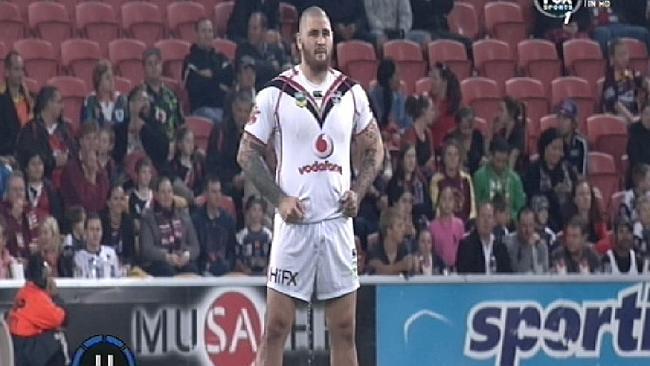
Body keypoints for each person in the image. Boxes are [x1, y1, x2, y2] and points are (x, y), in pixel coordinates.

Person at [236, 7, 383, 366]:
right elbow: (246, 154)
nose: (321, 41)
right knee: (276, 328)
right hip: (294, 227)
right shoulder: (276, 93)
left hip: (336, 226)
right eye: (314, 34)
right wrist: (279, 199)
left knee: (345, 329)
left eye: (326, 34)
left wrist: (359, 193)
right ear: (298, 41)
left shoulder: (351, 93)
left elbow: (376, 149)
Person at [8, 253, 68, 366]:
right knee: (57, 337)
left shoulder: (23, 292)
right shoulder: (36, 296)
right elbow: (62, 319)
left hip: (18, 347)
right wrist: (55, 295)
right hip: (26, 350)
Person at [140, 176, 200, 276]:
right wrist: (167, 257)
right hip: (160, 262)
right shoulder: (148, 217)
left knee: (192, 270)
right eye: (163, 192)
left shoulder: (183, 215)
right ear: (156, 194)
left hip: (181, 260)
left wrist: (187, 255)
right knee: (167, 271)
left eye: (169, 192)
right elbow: (147, 249)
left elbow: (195, 247)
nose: (167, 196)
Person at [16, 86, 76, 179]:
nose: (62, 106)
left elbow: (75, 153)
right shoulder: (30, 130)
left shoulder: (67, 129)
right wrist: (54, 162)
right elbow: (27, 159)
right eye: (59, 102)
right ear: (48, 103)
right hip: (42, 183)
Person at [524, 128, 577, 232]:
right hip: (544, 219)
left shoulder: (567, 169)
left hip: (568, 217)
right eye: (554, 148)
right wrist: (553, 192)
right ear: (544, 148)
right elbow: (532, 197)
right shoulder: (533, 170)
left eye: (560, 149)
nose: (557, 153)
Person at [183, 18, 234, 121]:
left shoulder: (221, 57)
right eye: (203, 31)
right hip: (201, 109)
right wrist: (218, 82)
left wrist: (210, 76)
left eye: (210, 31)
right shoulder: (190, 60)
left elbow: (230, 78)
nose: (207, 35)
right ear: (196, 34)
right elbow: (194, 87)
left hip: (223, 108)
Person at [191, 176, 237, 276]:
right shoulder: (196, 220)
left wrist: (228, 265)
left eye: (219, 192)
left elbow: (232, 250)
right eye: (213, 192)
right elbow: (195, 251)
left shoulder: (228, 220)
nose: (217, 196)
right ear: (206, 194)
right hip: (203, 272)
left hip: (225, 271)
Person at [473, 137, 526, 218]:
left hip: (510, 224)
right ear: (491, 156)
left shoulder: (515, 179)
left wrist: (509, 217)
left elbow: (520, 209)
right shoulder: (479, 176)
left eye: (504, 161)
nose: (500, 165)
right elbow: (475, 205)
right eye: (498, 160)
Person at [235, 12, 289, 89]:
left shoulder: (275, 49)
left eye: (254, 28)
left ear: (264, 30)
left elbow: (286, 67)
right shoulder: (243, 49)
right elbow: (249, 69)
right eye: (249, 28)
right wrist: (272, 67)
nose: (250, 32)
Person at [456, 202, 512, 274]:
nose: (486, 221)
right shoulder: (466, 245)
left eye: (489, 217)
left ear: (494, 221)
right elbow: (463, 273)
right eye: (483, 216)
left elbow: (507, 275)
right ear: (477, 220)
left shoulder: (501, 248)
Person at [142, 48, 184, 140]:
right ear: (144, 68)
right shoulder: (139, 96)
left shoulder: (171, 96)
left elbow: (180, 125)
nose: (154, 67)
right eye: (149, 64)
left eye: (156, 63)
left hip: (172, 145)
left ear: (161, 66)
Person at [386, 144, 433, 227]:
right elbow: (392, 205)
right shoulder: (394, 182)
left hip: (418, 221)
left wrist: (414, 207)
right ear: (402, 159)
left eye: (413, 157)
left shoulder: (421, 181)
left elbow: (428, 207)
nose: (411, 161)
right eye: (408, 156)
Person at [430, 140, 476, 223]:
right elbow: (435, 208)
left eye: (456, 154)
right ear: (444, 157)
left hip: (465, 226)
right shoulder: (437, 180)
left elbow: (472, 209)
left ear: (459, 158)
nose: (453, 158)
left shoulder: (466, 178)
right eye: (449, 154)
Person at [601, 38, 646, 122]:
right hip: (617, 117)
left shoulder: (628, 73)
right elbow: (615, 104)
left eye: (626, 53)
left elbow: (644, 82)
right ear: (612, 58)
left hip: (635, 115)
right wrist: (632, 119)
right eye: (620, 55)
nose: (625, 58)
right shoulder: (609, 78)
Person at [0, 51, 33, 158]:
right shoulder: (1, 98)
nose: (20, 74)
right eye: (16, 69)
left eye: (22, 69)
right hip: (8, 155)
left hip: (28, 153)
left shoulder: (27, 98)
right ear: (6, 72)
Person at [80, 59, 128, 127]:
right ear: (98, 80)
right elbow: (88, 127)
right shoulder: (90, 101)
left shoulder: (121, 100)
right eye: (108, 78)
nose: (112, 81)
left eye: (112, 77)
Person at [366, 207, 413, 275]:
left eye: (403, 225)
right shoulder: (374, 250)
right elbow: (379, 270)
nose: (403, 229)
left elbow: (409, 265)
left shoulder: (405, 247)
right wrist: (400, 266)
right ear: (389, 230)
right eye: (399, 226)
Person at [73, 213, 121, 278]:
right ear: (85, 232)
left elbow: (118, 279)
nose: (95, 234)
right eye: (92, 229)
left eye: (98, 229)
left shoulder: (111, 253)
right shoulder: (79, 257)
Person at [429, 186, 464, 270]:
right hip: (439, 270)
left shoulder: (459, 224)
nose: (447, 203)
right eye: (444, 199)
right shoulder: (432, 227)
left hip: (456, 269)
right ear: (438, 201)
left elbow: (463, 249)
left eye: (450, 199)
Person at [504, 208, 549, 274]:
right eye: (524, 225)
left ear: (535, 225)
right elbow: (519, 273)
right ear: (517, 225)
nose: (528, 230)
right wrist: (528, 247)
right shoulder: (509, 243)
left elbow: (545, 272)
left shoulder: (540, 245)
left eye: (530, 225)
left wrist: (541, 247)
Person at [235, 196, 273, 275]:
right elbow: (238, 257)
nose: (257, 213)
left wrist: (267, 268)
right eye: (254, 210)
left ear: (263, 213)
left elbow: (272, 255)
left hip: (265, 275)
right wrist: (244, 269)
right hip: (247, 275)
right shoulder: (242, 235)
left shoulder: (268, 235)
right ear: (248, 212)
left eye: (259, 210)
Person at [369, 59, 410, 130]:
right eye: (397, 75)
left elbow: (408, 122)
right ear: (389, 78)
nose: (400, 80)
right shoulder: (374, 97)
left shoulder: (400, 97)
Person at [100, 184, 136, 266]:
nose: (119, 202)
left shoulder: (128, 222)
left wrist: (127, 265)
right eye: (116, 199)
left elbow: (131, 254)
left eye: (122, 199)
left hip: (124, 267)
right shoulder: (101, 222)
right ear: (108, 202)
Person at [429, 62, 462, 150]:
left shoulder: (454, 103)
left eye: (435, 78)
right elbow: (430, 121)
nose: (431, 82)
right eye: (430, 78)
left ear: (444, 82)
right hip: (432, 151)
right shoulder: (428, 101)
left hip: (451, 152)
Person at [490, 96, 527, 173]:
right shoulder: (501, 131)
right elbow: (491, 154)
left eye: (501, 110)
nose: (498, 114)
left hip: (516, 174)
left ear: (511, 113)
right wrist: (492, 131)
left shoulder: (519, 131)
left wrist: (506, 181)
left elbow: (513, 158)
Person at [565, 179, 607, 244]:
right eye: (581, 194)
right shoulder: (570, 222)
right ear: (574, 199)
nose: (586, 197)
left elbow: (606, 242)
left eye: (588, 193)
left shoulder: (598, 219)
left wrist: (594, 248)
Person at [445, 106, 485, 175]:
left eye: (470, 127)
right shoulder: (450, 137)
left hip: (476, 175)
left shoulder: (477, 135)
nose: (467, 131)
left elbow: (482, 155)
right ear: (458, 125)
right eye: (464, 127)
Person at [402, 94, 436, 174]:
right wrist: (425, 168)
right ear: (424, 111)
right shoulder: (410, 134)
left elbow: (432, 159)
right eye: (431, 110)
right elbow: (409, 164)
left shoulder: (428, 133)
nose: (434, 113)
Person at [556, 99, 588, 177]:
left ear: (573, 123)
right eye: (559, 117)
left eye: (565, 119)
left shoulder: (580, 143)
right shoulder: (553, 142)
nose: (561, 122)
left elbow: (582, 174)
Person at [171, 126, 206, 196]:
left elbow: (203, 183)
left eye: (192, 141)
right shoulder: (174, 165)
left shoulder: (198, 164)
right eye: (187, 141)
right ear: (179, 144)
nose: (191, 145)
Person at [628, 107, 650, 186]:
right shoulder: (634, 130)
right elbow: (634, 157)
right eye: (646, 114)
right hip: (640, 172)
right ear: (641, 115)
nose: (649, 117)